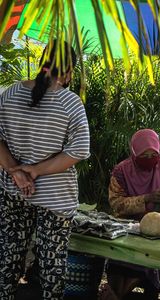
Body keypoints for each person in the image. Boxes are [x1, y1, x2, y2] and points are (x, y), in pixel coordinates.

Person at [0, 40, 90, 300]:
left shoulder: (10, 94)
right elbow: (79, 150)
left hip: (13, 191)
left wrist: (16, 173)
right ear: (68, 70)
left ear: (43, 62)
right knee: (52, 265)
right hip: (56, 198)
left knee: (8, 258)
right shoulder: (70, 103)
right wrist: (36, 171)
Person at [104, 129, 160, 300]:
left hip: (154, 235)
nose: (148, 160)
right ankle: (115, 294)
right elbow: (116, 204)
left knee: (146, 263)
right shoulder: (121, 171)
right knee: (118, 263)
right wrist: (145, 199)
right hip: (123, 232)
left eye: (152, 155)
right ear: (133, 153)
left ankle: (115, 295)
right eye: (143, 156)